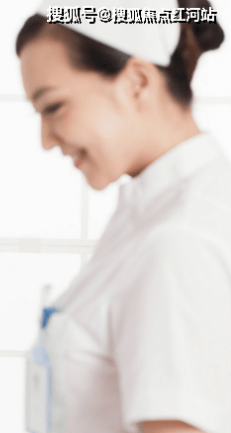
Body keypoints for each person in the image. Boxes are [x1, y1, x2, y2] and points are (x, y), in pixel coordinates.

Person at [16, 1, 230, 433]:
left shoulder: (178, 240)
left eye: (53, 106)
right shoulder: (153, 211)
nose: (45, 140)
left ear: (136, 81)